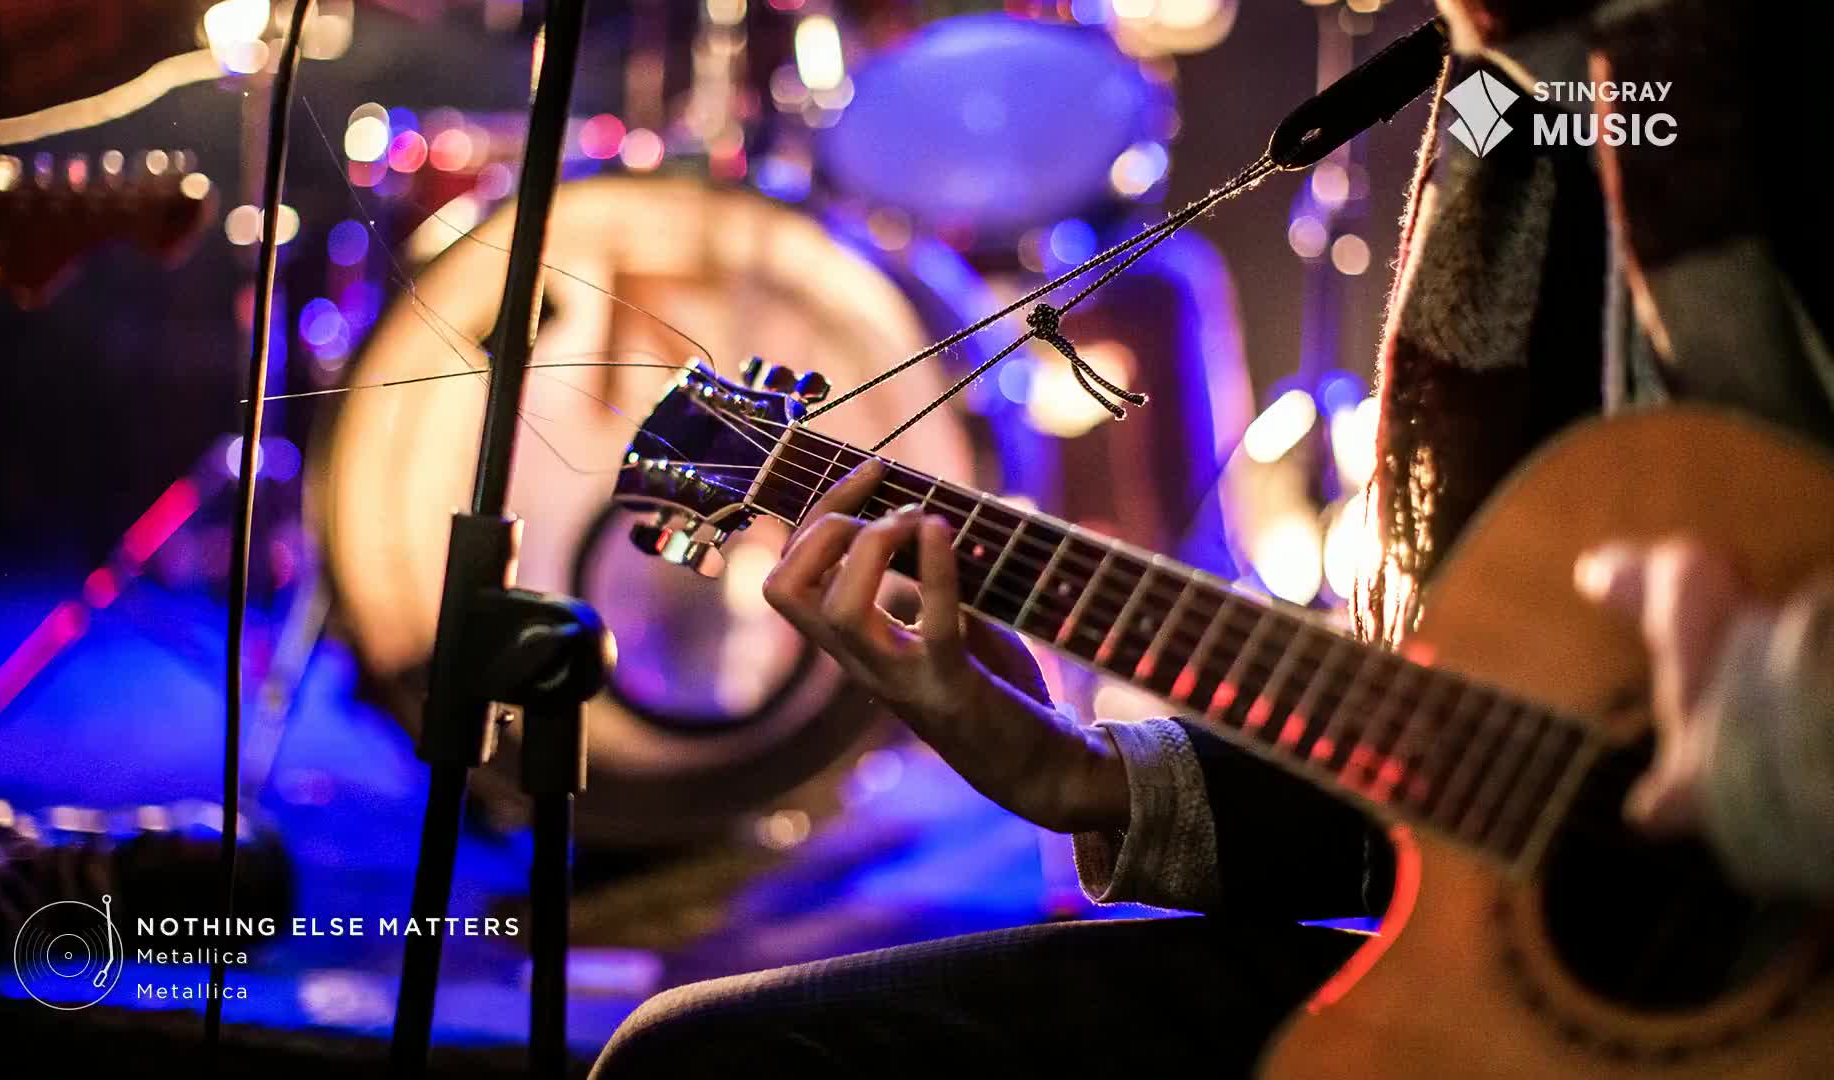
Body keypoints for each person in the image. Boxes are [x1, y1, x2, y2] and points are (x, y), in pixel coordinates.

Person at [591, 1, 1834, 1075]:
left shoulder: (1697, 89)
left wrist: (1774, 746)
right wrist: (1083, 775)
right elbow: (1505, 770)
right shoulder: (1515, 109)